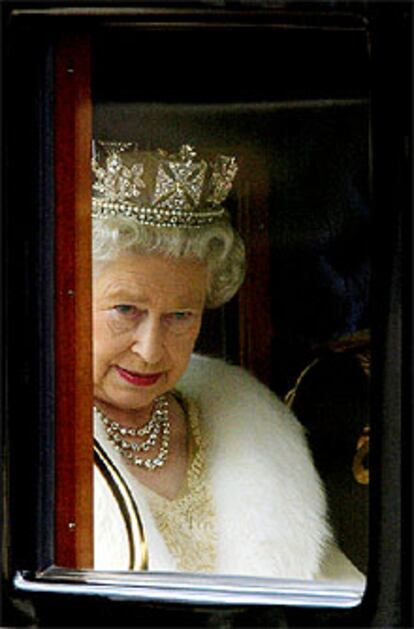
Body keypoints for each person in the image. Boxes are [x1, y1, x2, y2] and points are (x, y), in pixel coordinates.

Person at [92, 140, 363, 583]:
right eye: (126, 310)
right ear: (68, 300)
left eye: (180, 316)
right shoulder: (35, 450)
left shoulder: (252, 432)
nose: (151, 349)